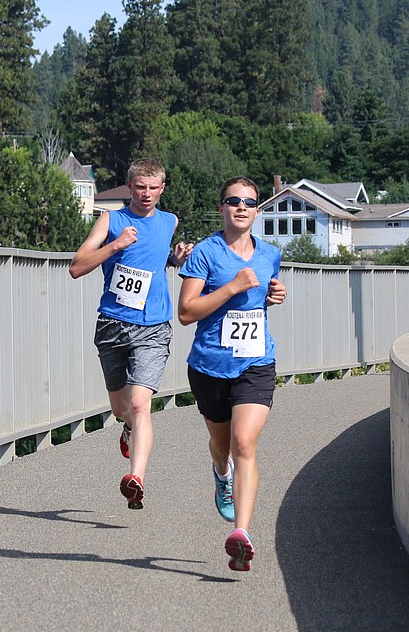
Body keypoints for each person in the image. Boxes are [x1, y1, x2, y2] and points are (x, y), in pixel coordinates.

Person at [69, 159, 193, 509]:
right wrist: (115, 245)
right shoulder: (111, 220)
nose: (147, 194)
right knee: (121, 407)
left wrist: (175, 258)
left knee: (140, 405)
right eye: (140, 187)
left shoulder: (170, 222)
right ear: (130, 187)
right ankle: (126, 429)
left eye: (153, 188)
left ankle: (136, 477)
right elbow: (77, 266)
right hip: (112, 323)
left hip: (153, 326)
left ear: (162, 189)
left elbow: (153, 260)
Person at [177, 176, 286, 572]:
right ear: (221, 208)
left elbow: (260, 303)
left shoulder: (270, 254)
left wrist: (275, 295)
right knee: (222, 447)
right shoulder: (205, 253)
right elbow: (186, 312)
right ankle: (220, 474)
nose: (242, 207)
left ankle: (241, 533)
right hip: (209, 367)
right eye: (233, 201)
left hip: (256, 362)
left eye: (250, 202)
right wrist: (232, 287)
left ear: (257, 211)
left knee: (244, 443)